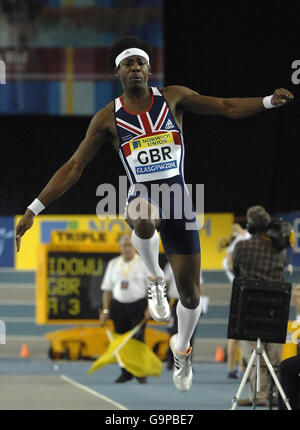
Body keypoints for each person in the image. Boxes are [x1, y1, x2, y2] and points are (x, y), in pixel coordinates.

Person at [15, 35, 294, 392]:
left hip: (178, 201)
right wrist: (33, 209)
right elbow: (73, 167)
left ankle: (182, 349)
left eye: (140, 63)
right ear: (118, 72)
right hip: (141, 197)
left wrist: (268, 101)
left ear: (149, 69)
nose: (135, 68)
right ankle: (154, 281)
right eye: (127, 63)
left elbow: (225, 105)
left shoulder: (172, 98)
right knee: (143, 216)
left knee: (191, 297)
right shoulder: (108, 118)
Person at [232, 205, 287, 406]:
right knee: (274, 355)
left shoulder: (241, 247)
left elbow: (236, 270)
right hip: (276, 309)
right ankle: (274, 394)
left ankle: (260, 395)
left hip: (249, 309)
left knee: (253, 353)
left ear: (250, 226)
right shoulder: (279, 251)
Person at [99, 234, 150, 384]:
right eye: (124, 245)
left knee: (137, 339)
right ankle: (125, 372)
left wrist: (150, 308)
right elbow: (107, 290)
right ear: (120, 247)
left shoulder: (143, 263)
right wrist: (106, 311)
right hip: (119, 306)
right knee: (120, 340)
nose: (127, 248)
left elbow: (151, 289)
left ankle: (140, 372)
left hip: (138, 306)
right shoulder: (113, 264)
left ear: (134, 246)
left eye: (129, 245)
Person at [218, 223, 251, 379]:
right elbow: (247, 237)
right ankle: (237, 368)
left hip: (237, 293)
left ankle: (235, 368)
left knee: (237, 335)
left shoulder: (227, 256)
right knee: (240, 335)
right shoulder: (234, 250)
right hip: (242, 293)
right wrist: (240, 230)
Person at [164, 261, 207, 370]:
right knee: (173, 332)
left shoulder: (195, 264)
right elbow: (166, 283)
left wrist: (202, 301)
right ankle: (171, 359)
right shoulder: (170, 265)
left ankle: (187, 362)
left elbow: (199, 284)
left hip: (190, 302)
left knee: (189, 334)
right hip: (175, 302)